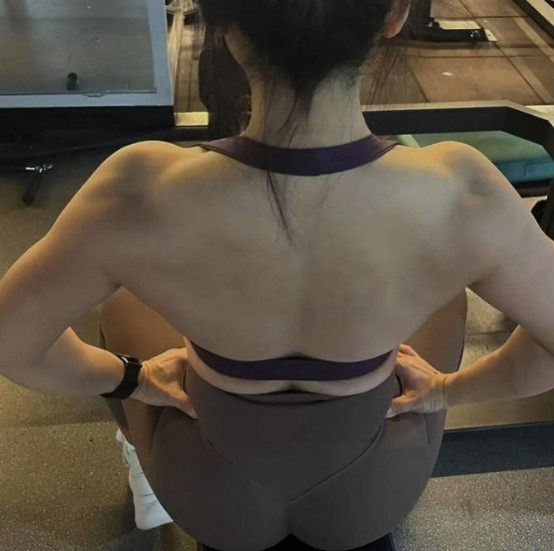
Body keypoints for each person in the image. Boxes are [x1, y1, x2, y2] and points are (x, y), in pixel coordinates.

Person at [1, 0, 553, 549]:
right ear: (394, 15)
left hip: (210, 496)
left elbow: (12, 342)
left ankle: (144, 463)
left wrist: (134, 379)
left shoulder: (138, 187)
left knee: (123, 299)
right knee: (447, 293)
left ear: (222, 25)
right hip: (370, 498)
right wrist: (447, 391)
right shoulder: (462, 192)